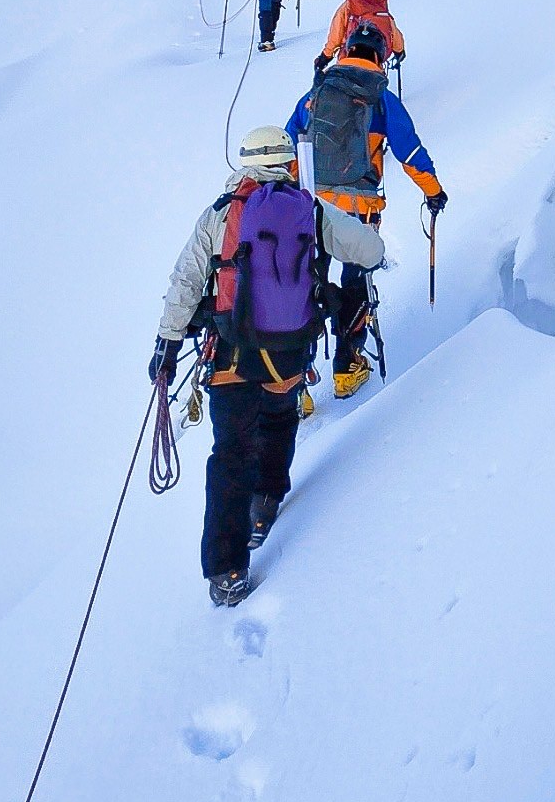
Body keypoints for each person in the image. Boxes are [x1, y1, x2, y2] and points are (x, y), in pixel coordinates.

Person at [149, 125, 383, 607]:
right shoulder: (309, 210)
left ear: (245, 161)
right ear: (285, 161)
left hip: (232, 354)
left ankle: (228, 570)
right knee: (278, 422)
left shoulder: (220, 215)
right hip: (289, 352)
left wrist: (167, 346)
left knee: (230, 453)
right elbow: (371, 251)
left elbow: (185, 280)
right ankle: (268, 500)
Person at [287, 23, 446, 397]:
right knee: (355, 281)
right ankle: (346, 366)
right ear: (381, 57)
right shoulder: (382, 99)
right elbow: (409, 153)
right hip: (360, 211)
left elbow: (290, 146)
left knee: (305, 283)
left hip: (310, 208)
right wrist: (434, 190)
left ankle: (296, 381)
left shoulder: (315, 94)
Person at [314, 0, 405, 77]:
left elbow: (335, 37)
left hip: (348, 61)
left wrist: (324, 57)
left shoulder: (347, 5)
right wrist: (399, 53)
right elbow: (394, 34)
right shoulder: (380, 6)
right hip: (375, 64)